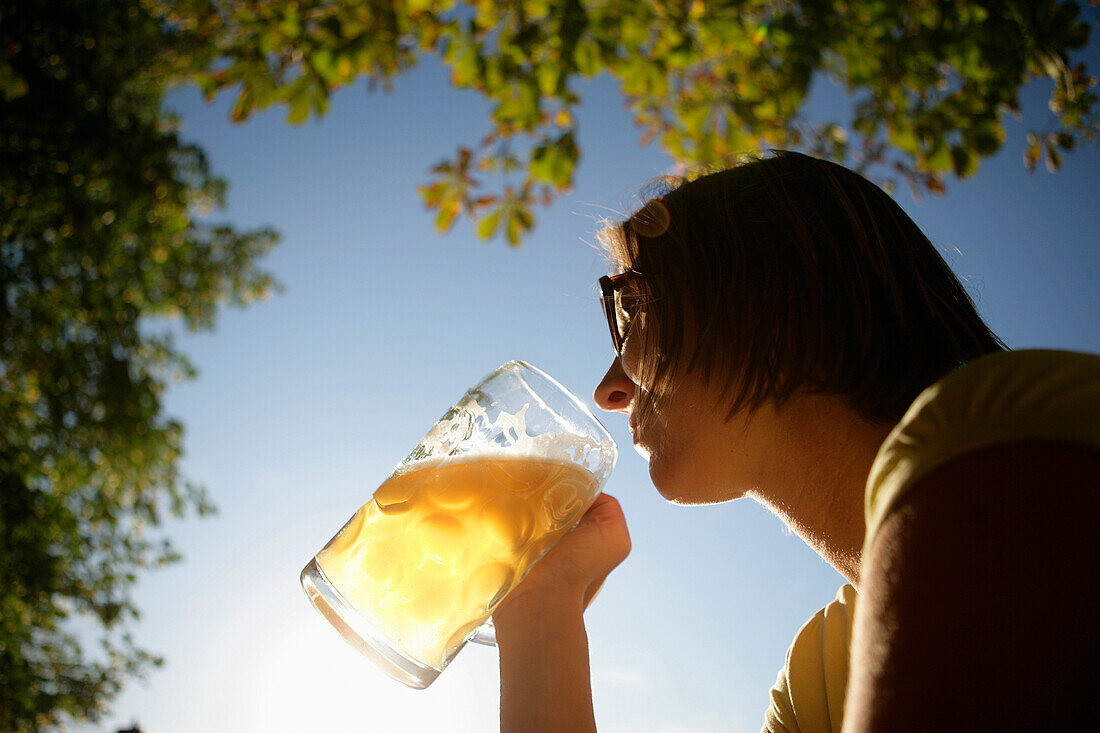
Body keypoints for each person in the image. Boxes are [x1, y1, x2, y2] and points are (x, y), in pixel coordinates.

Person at [492, 151, 1100, 732]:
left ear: (766, 294)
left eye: (632, 309)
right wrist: (541, 605)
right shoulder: (821, 672)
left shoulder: (1018, 444)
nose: (609, 389)